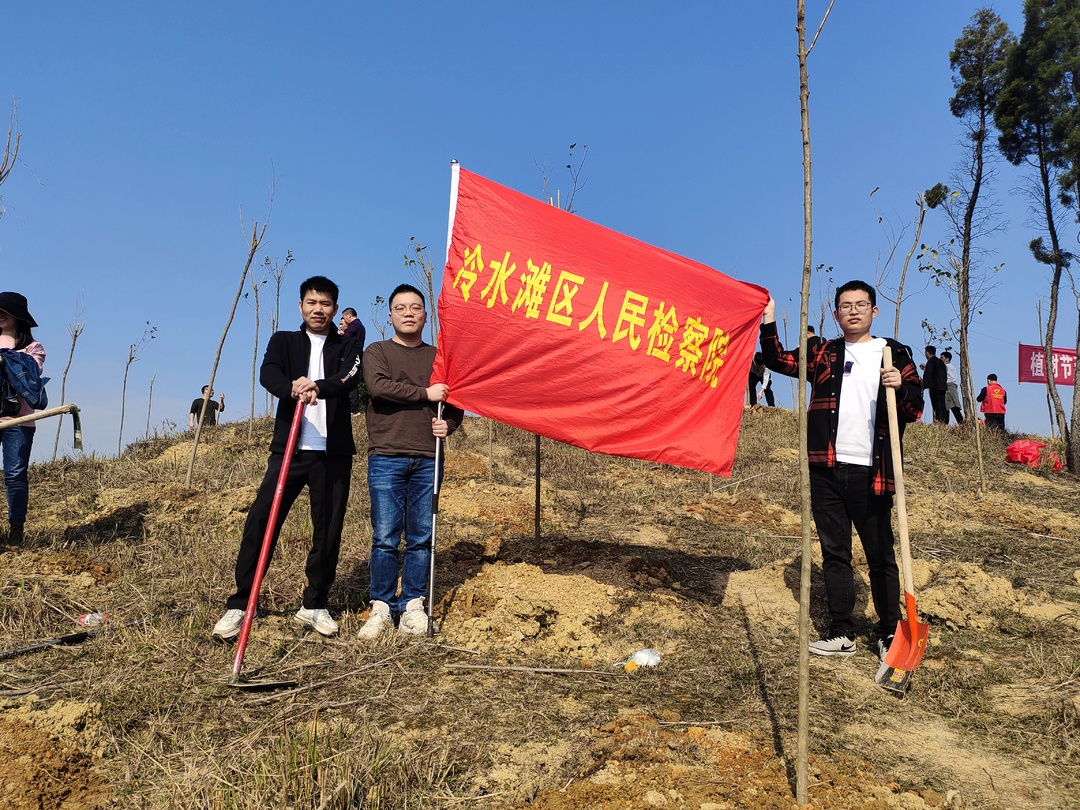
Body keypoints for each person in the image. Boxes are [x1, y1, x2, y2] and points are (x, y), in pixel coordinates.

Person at [760, 280, 923, 665]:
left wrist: (900, 386)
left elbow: (916, 407)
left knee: (881, 555)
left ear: (873, 311)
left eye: (861, 305)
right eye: (845, 305)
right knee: (835, 553)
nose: (853, 310)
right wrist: (768, 319)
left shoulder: (892, 352)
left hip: (872, 471)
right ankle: (841, 631)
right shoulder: (823, 352)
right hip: (825, 469)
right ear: (836, 313)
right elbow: (776, 360)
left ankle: (888, 631)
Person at [213, 276, 363, 641]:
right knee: (262, 521)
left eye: (326, 303)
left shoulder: (348, 346)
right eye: (312, 302)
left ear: (335, 308)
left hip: (333, 452)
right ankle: (241, 602)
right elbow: (269, 373)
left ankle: (314, 603)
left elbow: (348, 378)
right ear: (301, 306)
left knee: (328, 530)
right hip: (289, 450)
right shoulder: (284, 341)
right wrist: (291, 387)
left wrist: (317, 386)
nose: (318, 309)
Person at [357, 284, 463, 639]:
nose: (408, 313)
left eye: (415, 307)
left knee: (421, 536)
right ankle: (382, 606)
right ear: (390, 315)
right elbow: (378, 387)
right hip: (386, 455)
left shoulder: (439, 357)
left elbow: (455, 402)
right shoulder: (377, 351)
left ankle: (413, 604)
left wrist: (448, 423)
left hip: (428, 458)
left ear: (425, 314)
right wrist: (425, 394)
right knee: (385, 536)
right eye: (400, 308)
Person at [0, 292, 47, 547]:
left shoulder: (33, 348)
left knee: (15, 474)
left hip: (18, 421)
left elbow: (29, 373)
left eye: (4, 311)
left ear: (18, 317)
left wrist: (5, 346)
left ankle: (16, 530)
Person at [339, 309, 367, 414]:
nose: (345, 321)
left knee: (349, 379)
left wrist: (342, 334)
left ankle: (354, 409)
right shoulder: (360, 325)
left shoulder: (354, 325)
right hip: (355, 355)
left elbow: (346, 338)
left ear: (349, 316)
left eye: (344, 317)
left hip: (354, 356)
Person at [921, 346, 948, 424]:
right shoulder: (940, 362)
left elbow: (928, 374)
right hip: (942, 386)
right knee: (942, 405)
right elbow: (945, 374)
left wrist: (924, 385)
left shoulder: (930, 362)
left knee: (936, 406)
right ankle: (944, 422)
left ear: (927, 353)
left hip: (934, 386)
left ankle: (940, 421)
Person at [941, 351, 964, 424]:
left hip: (950, 387)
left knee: (954, 407)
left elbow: (942, 368)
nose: (940, 359)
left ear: (947, 359)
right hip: (947, 387)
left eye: (942, 358)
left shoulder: (948, 366)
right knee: (946, 407)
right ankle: (946, 424)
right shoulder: (949, 367)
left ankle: (961, 423)